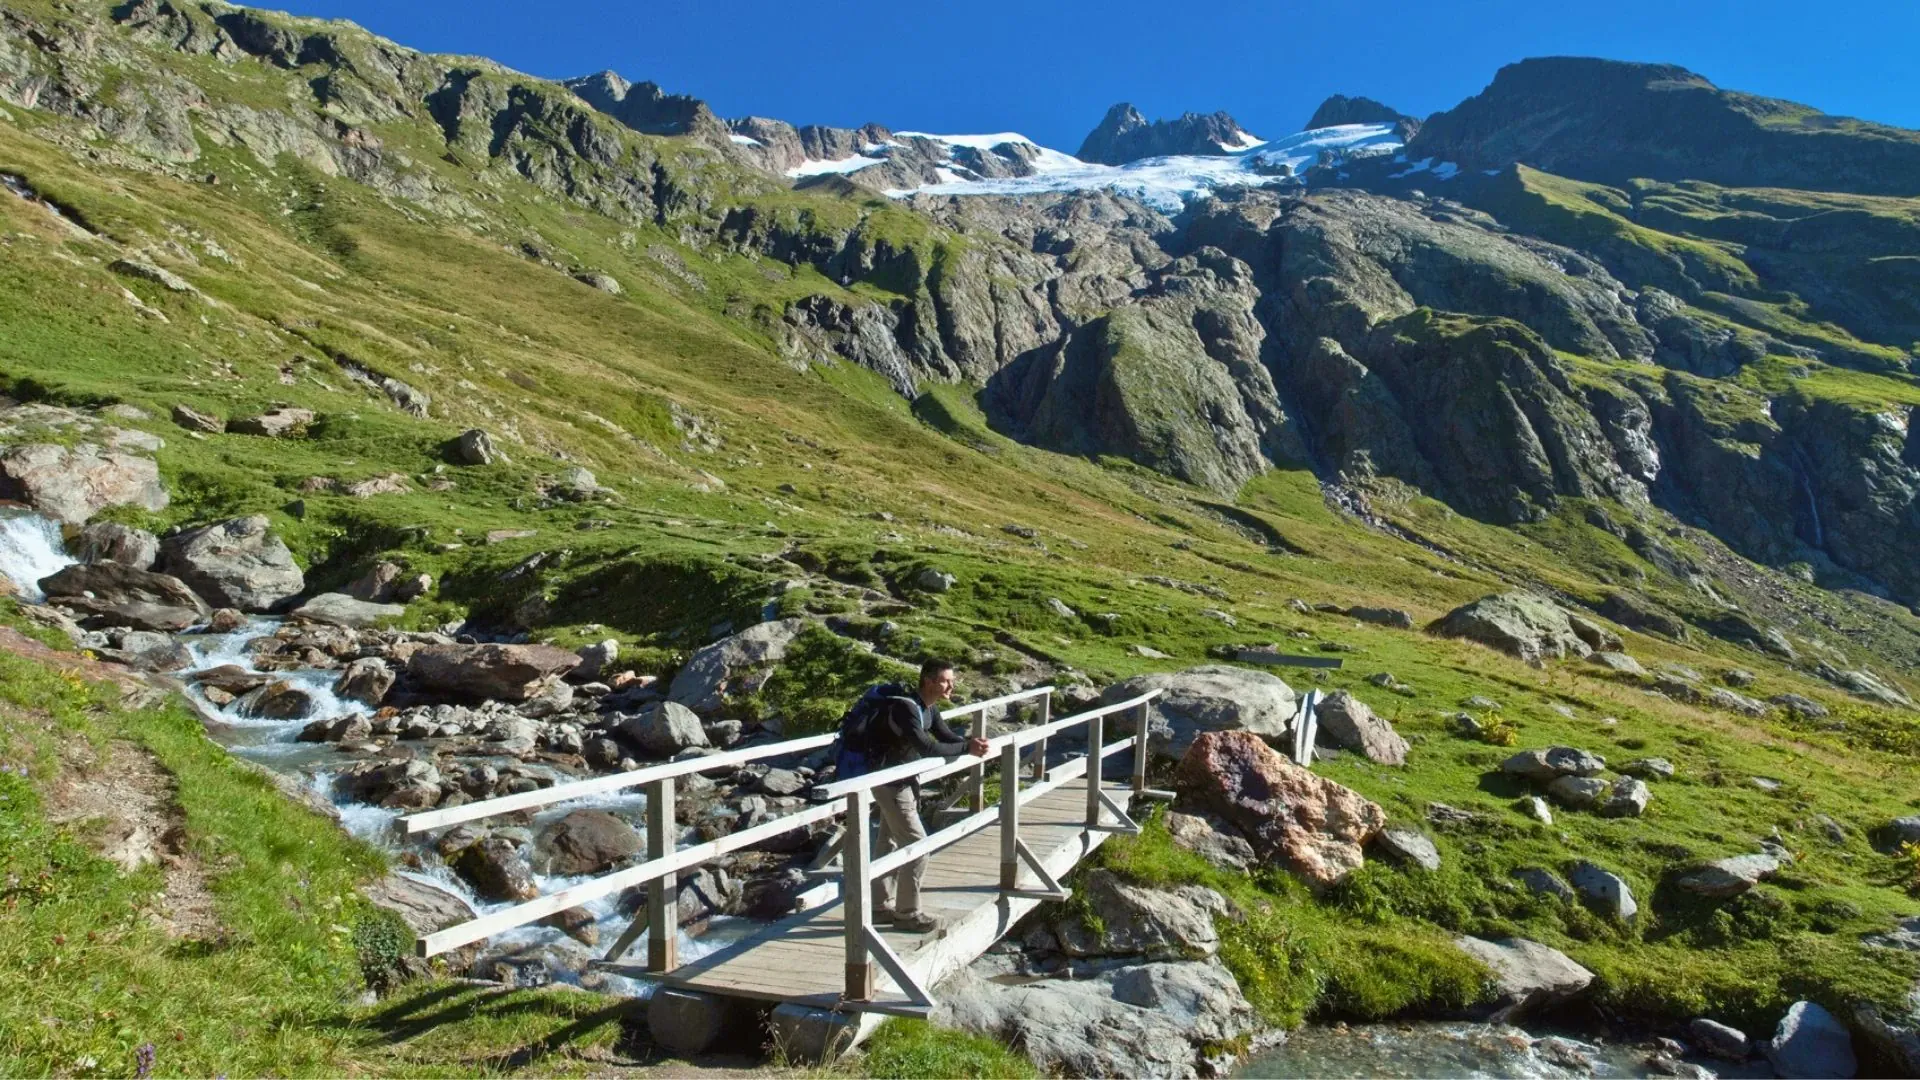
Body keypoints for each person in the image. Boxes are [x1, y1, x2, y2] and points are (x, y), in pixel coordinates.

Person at [865, 658, 988, 933]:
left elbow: (944, 735)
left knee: (889, 843)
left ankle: (878, 907)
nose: (951, 686)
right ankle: (908, 915)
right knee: (918, 845)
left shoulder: (928, 708)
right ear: (929, 681)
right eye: (946, 681)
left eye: (952, 681)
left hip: (901, 780)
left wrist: (972, 744)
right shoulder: (905, 708)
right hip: (890, 784)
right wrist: (966, 748)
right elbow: (927, 747)